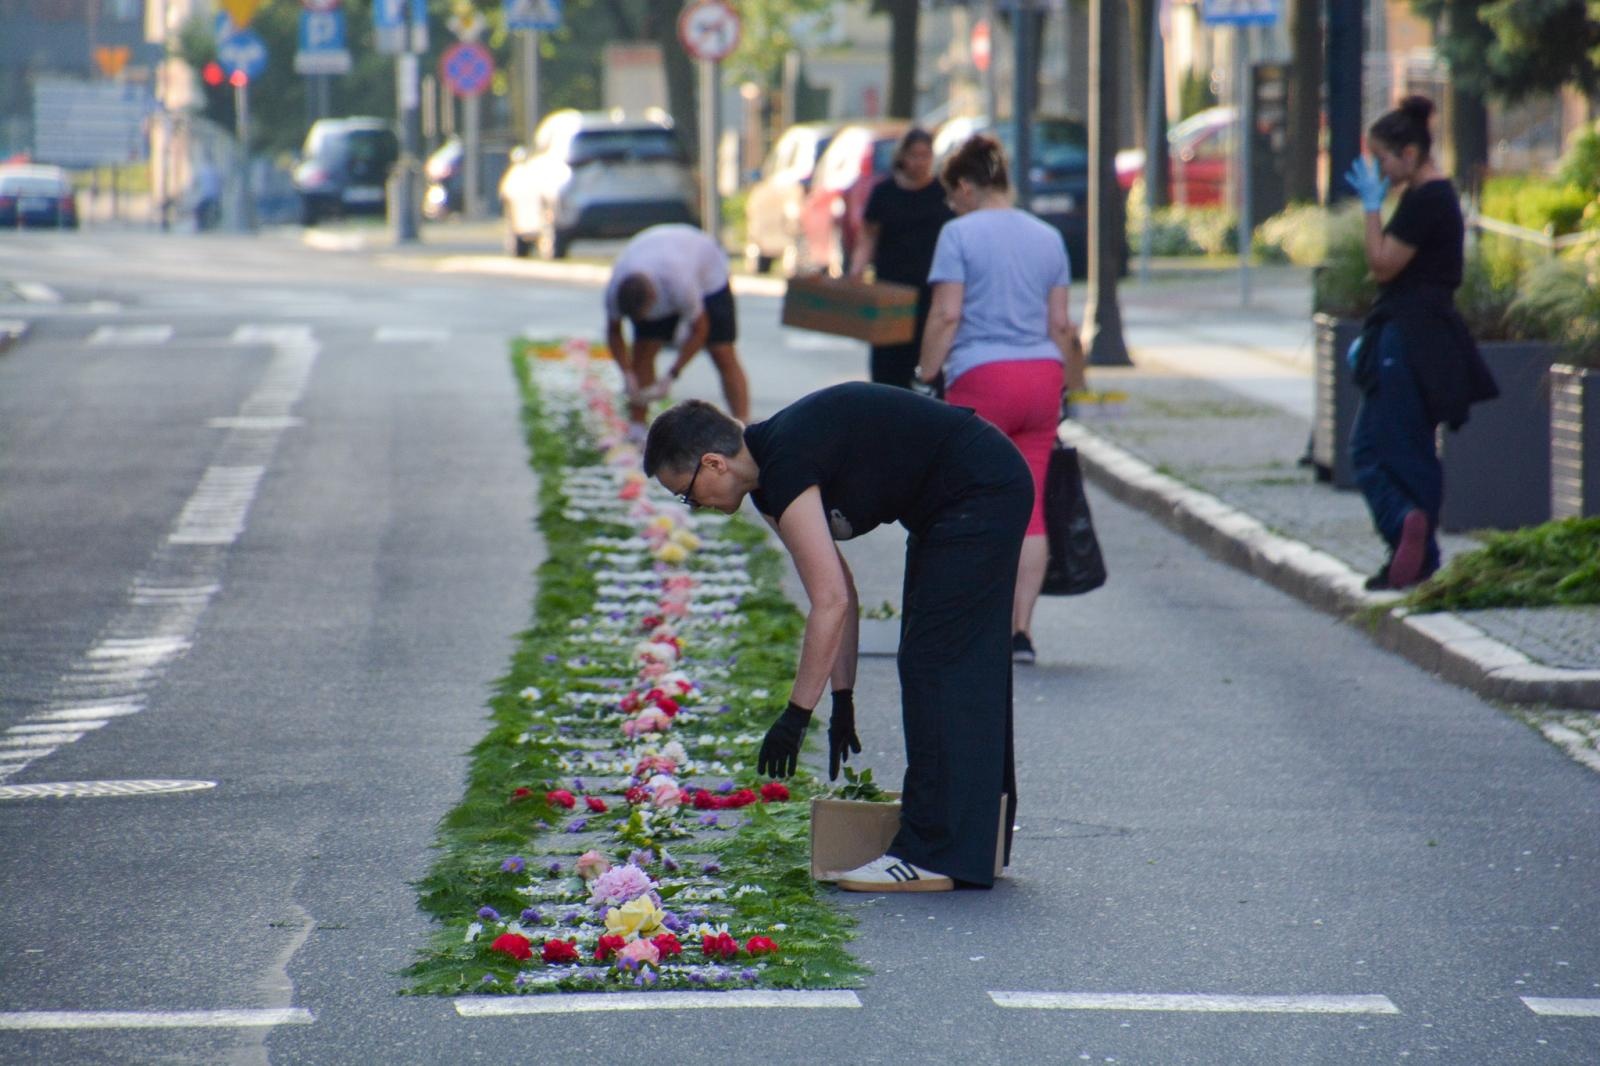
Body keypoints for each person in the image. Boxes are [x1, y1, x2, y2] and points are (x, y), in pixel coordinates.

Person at [643, 387, 1032, 892]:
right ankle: (971, 839)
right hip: (959, 500)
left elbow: (831, 602)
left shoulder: (784, 463)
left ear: (713, 463)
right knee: (945, 659)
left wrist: (797, 714)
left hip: (979, 490)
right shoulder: (769, 481)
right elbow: (839, 586)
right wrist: (841, 696)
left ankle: (935, 853)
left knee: (936, 663)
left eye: (686, 493)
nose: (693, 506)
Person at [916, 134, 1086, 665]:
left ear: (966, 186)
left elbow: (947, 315)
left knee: (970, 499)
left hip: (981, 378)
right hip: (1041, 379)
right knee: (1029, 505)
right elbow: (1061, 324)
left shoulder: (958, 234)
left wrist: (925, 374)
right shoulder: (1048, 237)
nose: (951, 205)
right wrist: (1072, 386)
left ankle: (975, 623)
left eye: (952, 194)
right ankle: (1021, 633)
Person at [1343, 96, 1497, 590]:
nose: (1380, 171)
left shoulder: (1426, 200)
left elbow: (1383, 263)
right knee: (1400, 444)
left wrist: (1372, 210)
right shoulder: (1432, 196)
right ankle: (1418, 556)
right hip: (1424, 336)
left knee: (1378, 448)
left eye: (1383, 160)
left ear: (1410, 155)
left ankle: (1404, 522)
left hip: (1406, 337)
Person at [604, 224, 752, 432]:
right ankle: (637, 427)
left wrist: (672, 374)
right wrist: (627, 373)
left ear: (654, 299)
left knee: (722, 351)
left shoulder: (679, 283)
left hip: (708, 274)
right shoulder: (615, 289)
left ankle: (743, 424)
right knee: (643, 350)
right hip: (657, 254)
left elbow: (700, 330)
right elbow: (614, 331)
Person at [847, 128, 954, 389]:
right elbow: (868, 237)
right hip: (891, 291)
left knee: (927, 362)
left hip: (931, 290)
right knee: (888, 367)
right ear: (902, 156)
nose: (920, 161)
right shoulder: (884, 192)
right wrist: (857, 271)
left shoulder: (942, 193)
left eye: (925, 155)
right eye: (914, 155)